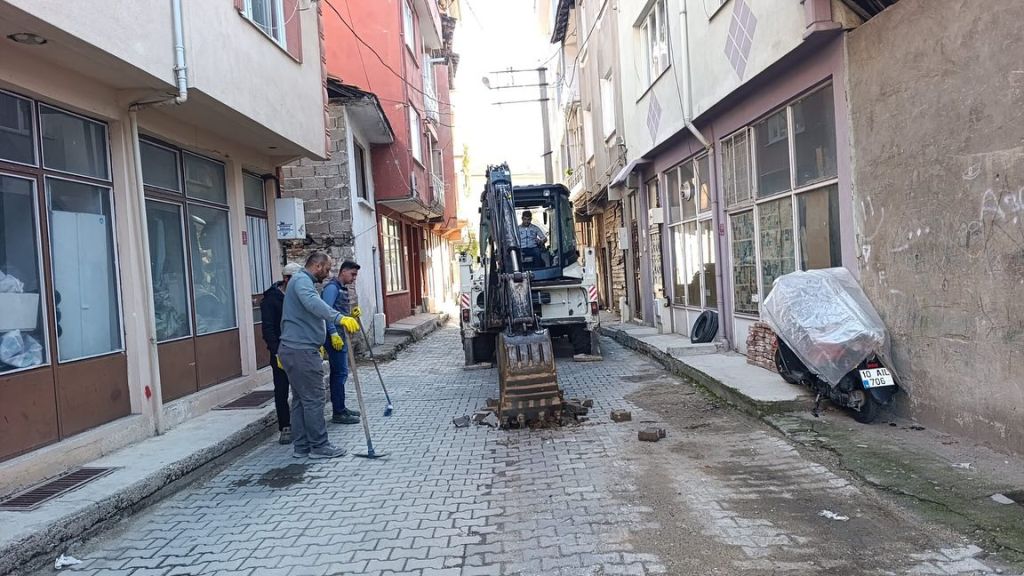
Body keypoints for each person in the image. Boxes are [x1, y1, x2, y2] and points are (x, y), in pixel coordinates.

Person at [277, 252, 360, 459]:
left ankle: (302, 446)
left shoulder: (301, 282)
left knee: (301, 399)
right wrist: (339, 318)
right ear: (317, 266)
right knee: (314, 399)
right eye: (328, 269)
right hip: (301, 351)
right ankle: (319, 445)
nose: (329, 273)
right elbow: (314, 304)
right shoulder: (302, 282)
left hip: (297, 349)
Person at [260, 261, 303, 445]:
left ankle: (302, 424)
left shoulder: (298, 295)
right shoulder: (271, 300)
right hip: (281, 350)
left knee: (301, 388)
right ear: (286, 279)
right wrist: (276, 351)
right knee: (282, 389)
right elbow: (268, 329)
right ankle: (285, 426)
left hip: (299, 348)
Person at [322, 260, 363, 425]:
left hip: (341, 335)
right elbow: (326, 312)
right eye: (352, 274)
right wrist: (332, 333)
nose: (354, 278)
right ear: (343, 271)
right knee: (340, 373)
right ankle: (338, 412)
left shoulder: (341, 288)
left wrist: (351, 315)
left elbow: (339, 312)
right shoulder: (331, 288)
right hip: (334, 337)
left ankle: (341, 408)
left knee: (341, 373)